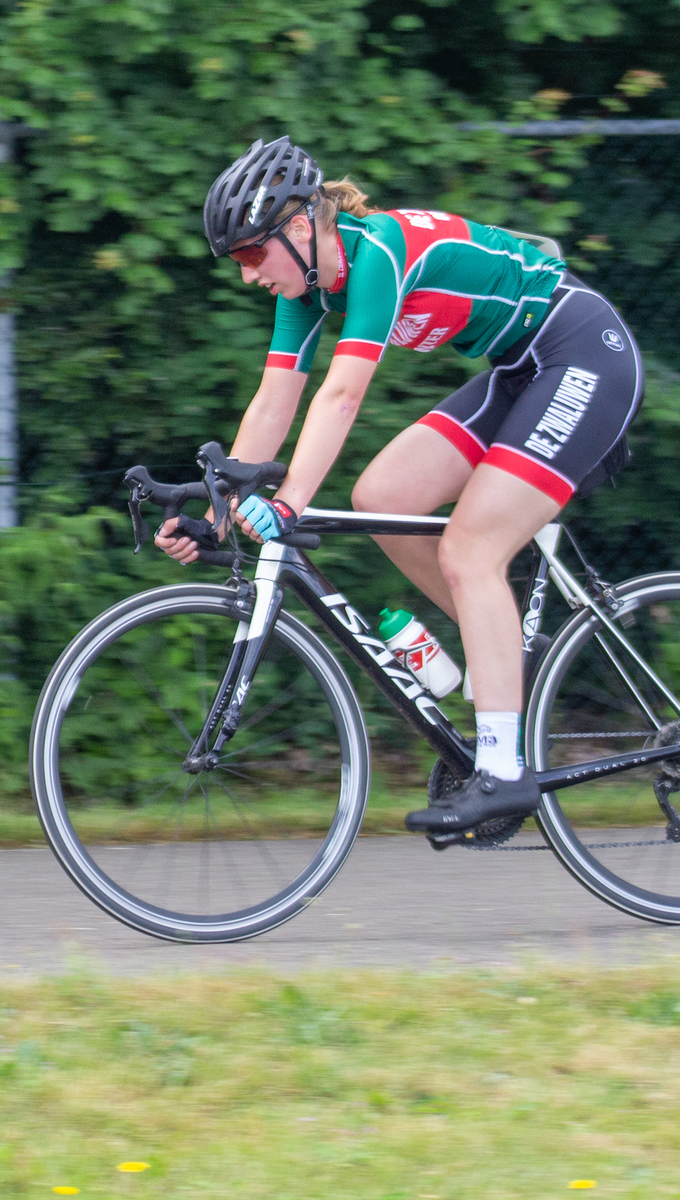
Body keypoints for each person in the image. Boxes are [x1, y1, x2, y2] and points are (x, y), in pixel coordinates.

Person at [166, 137, 645, 833]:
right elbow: (274, 404)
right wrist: (220, 505)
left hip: (581, 352)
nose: (247, 277)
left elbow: (341, 398)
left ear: (299, 228)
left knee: (471, 551)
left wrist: (289, 500)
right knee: (381, 499)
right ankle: (503, 649)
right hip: (521, 370)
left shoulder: (378, 253)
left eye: (249, 256)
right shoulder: (308, 284)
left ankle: (504, 770)